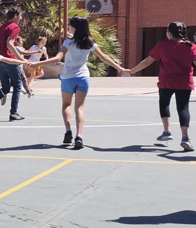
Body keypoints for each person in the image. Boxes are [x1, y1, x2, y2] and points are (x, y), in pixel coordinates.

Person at [31, 16, 126, 150]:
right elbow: (104, 57)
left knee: (66, 105)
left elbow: (58, 58)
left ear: (74, 27)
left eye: (70, 25)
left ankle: (68, 131)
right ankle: (79, 136)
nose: (68, 27)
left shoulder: (68, 42)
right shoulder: (89, 42)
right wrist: (120, 68)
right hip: (83, 78)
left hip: (68, 78)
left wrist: (37, 64)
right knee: (80, 108)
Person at [126, 22, 196, 151]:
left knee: (164, 104)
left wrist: (131, 71)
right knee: (183, 108)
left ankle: (167, 131)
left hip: (166, 81)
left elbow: (147, 61)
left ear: (169, 33)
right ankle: (185, 137)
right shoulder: (191, 46)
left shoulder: (162, 46)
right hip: (184, 82)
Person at [0, 8, 27, 121]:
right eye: (20, 16)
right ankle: (13, 113)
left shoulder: (0, 27)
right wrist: (21, 59)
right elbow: (9, 44)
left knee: (6, 87)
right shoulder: (14, 27)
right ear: (16, 15)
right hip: (10, 61)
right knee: (17, 86)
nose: (21, 18)